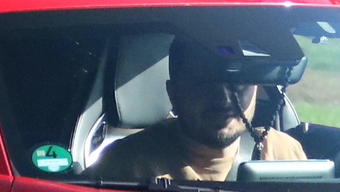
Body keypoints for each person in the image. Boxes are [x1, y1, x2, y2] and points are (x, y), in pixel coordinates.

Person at [90, 34, 309, 184]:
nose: (223, 99)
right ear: (173, 93)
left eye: (236, 83)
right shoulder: (126, 165)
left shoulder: (284, 153)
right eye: (204, 83)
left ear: (256, 87)